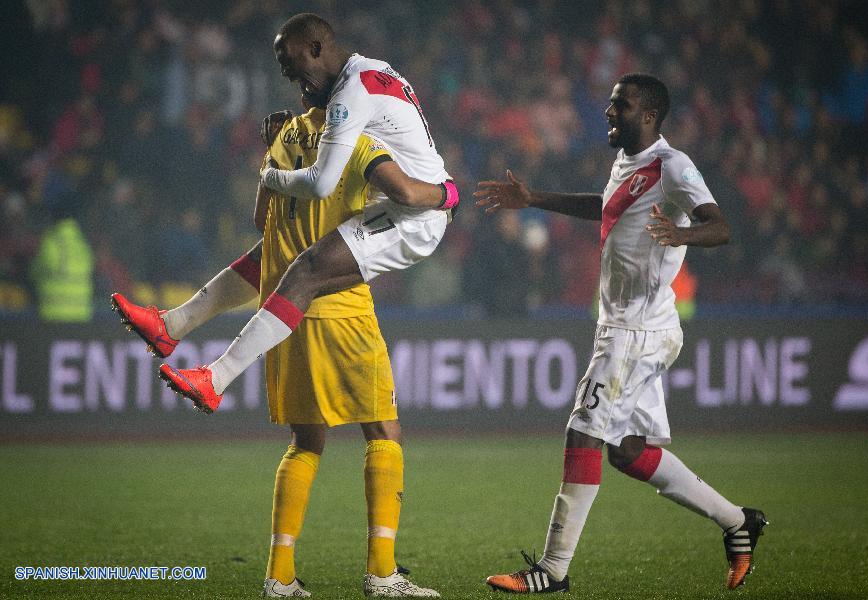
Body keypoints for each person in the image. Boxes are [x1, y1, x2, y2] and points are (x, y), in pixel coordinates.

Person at [112, 94, 441, 597]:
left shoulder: (284, 140)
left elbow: (261, 218)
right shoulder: (356, 141)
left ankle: (279, 575)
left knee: (306, 442)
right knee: (384, 431)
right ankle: (382, 572)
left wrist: (275, 155)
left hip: (279, 310)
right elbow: (404, 193)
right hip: (338, 308)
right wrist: (445, 193)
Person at [475, 73, 767, 593]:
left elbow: (720, 226)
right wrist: (534, 198)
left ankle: (553, 570)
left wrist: (682, 234)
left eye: (621, 106)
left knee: (583, 431)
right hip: (631, 326)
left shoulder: (673, 165)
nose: (609, 113)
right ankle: (738, 522)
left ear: (650, 115)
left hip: (637, 329)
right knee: (628, 449)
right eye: (611, 105)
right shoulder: (629, 164)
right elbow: (607, 206)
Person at [158, 12, 457, 414]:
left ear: (316, 49)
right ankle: (174, 325)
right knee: (276, 250)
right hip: (399, 201)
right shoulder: (368, 71)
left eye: (289, 60)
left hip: (413, 216)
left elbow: (320, 183)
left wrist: (271, 177)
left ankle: (215, 378)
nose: (285, 73)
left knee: (307, 267)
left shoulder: (351, 93)